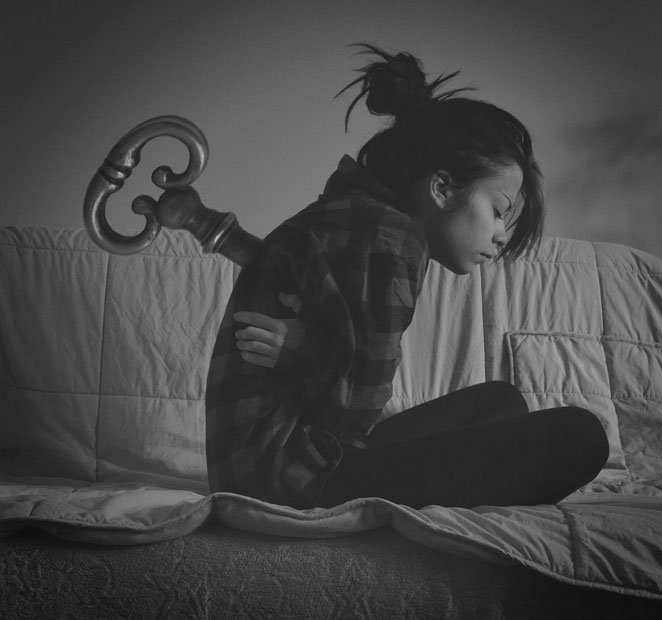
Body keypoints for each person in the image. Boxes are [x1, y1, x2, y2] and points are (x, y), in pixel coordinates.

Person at [182, 45, 609, 509]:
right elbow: (352, 417)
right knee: (581, 435)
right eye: (499, 210)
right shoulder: (391, 239)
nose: (501, 235)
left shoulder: (354, 213)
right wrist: (305, 351)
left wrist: (307, 347)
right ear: (441, 188)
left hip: (282, 460)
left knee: (501, 402)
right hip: (296, 478)